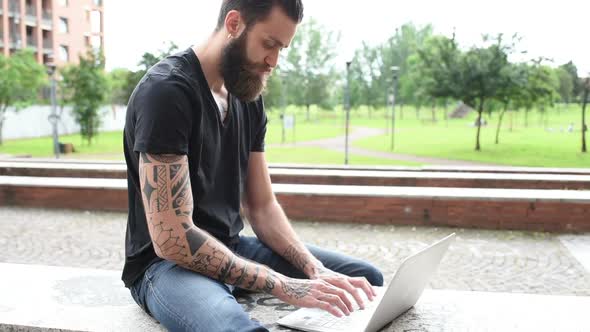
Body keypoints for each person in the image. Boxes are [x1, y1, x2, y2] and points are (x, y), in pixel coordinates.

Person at [122, 1, 383, 331]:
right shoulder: (166, 92)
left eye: (281, 49)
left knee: (363, 281)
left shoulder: (247, 95)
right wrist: (285, 285)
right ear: (234, 24)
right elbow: (172, 238)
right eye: (269, 44)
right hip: (166, 265)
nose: (273, 61)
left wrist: (314, 269)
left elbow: (261, 207)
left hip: (233, 247)